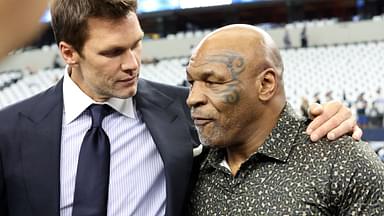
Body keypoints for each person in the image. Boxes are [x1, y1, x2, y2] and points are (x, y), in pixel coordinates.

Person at [0, 1, 361, 215]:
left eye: (136, 44)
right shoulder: (9, 131)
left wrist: (330, 117)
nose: (132, 64)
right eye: (112, 52)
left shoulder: (184, 109)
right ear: (69, 53)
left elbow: (259, 114)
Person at [187, 24, 384, 215]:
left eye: (212, 82)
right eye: (191, 83)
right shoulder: (187, 166)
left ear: (265, 84)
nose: (192, 98)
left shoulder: (342, 163)